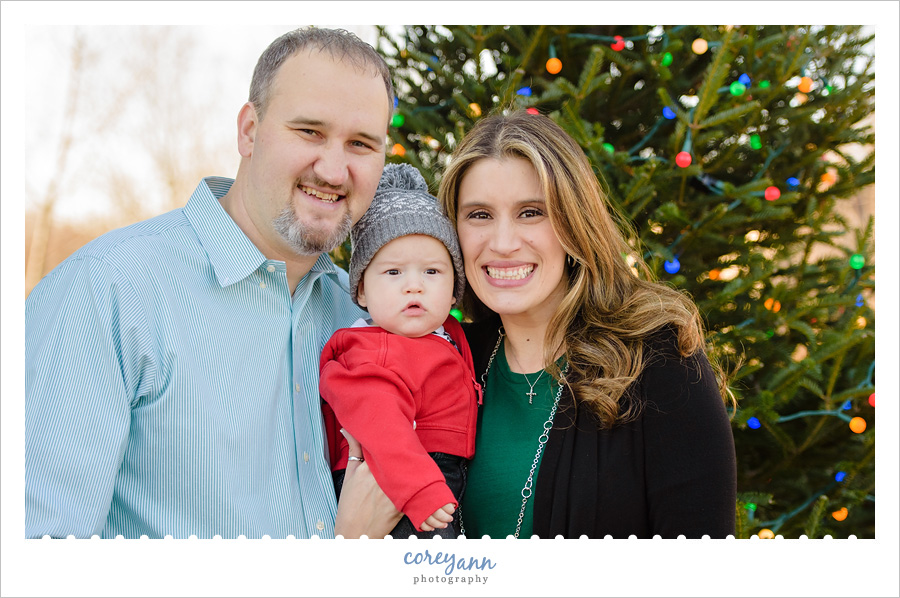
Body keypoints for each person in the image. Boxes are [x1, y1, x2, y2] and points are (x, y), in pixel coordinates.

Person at [25, 27, 398, 539]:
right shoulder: (111, 288)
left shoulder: (361, 316)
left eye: (361, 143)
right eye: (309, 131)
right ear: (248, 131)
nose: (334, 170)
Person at [435, 110, 738, 539]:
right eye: (479, 215)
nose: (502, 243)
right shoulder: (448, 357)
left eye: (531, 212)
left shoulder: (659, 363)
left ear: (573, 223)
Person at [319, 163, 481, 539]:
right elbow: (379, 423)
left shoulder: (446, 336)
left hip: (438, 477)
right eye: (393, 273)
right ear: (361, 290)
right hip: (396, 483)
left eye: (432, 272)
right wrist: (419, 487)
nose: (414, 286)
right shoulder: (367, 351)